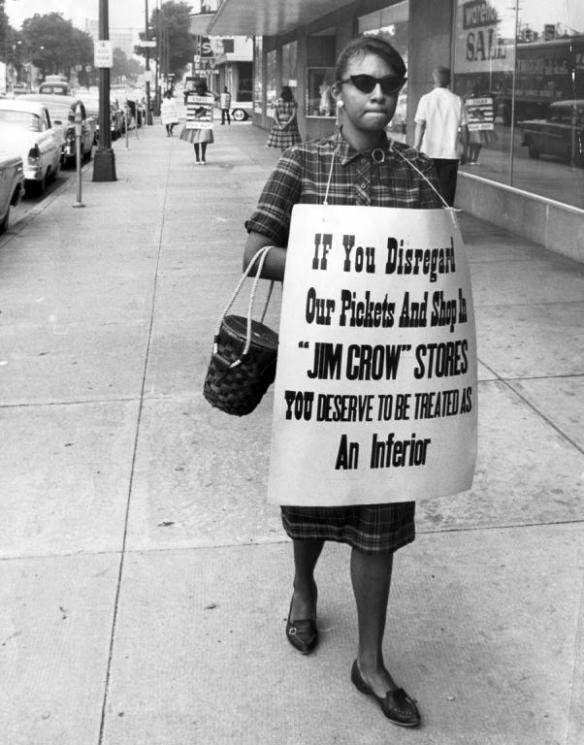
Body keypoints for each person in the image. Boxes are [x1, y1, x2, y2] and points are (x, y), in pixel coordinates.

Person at [244, 35, 445, 730]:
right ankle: (303, 590)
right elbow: (255, 251)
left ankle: (370, 660)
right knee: (310, 501)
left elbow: (437, 266)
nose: (379, 95)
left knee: (380, 519)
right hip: (317, 371)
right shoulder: (301, 161)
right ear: (337, 93)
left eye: (390, 84)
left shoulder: (415, 172)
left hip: (387, 378)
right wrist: (325, 258)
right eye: (364, 83)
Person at [414, 66, 468, 206]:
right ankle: (445, 224)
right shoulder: (457, 100)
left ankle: (429, 224)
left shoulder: (426, 99)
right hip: (450, 155)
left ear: (434, 79)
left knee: (428, 193)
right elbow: (465, 128)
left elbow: (420, 126)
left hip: (428, 153)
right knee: (447, 197)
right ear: (449, 80)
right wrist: (465, 151)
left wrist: (416, 147)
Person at [179, 79, 214, 164]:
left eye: (202, 88)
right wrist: (194, 90)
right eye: (198, 88)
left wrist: (208, 91)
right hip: (194, 121)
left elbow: (217, 96)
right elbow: (185, 93)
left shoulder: (208, 97)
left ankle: (203, 157)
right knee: (196, 140)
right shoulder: (192, 96)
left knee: (204, 139)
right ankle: (197, 157)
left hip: (205, 122)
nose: (200, 90)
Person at [266, 85, 301, 150]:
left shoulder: (277, 102)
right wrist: (287, 124)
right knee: (290, 145)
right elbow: (293, 115)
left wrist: (279, 125)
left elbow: (275, 115)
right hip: (290, 125)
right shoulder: (293, 102)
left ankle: (283, 156)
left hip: (280, 124)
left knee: (282, 145)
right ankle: (288, 157)